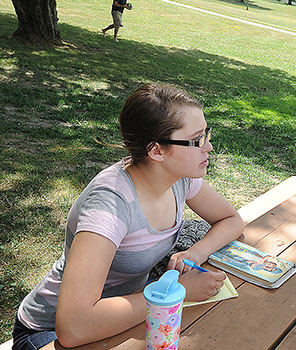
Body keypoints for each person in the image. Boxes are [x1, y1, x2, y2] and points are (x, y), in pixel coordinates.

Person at [12, 83, 245, 349]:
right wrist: (178, 293)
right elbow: (73, 326)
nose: (209, 147)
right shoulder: (109, 207)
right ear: (156, 150)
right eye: (197, 139)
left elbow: (231, 220)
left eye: (207, 133)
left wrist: (195, 254)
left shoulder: (179, 179)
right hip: (49, 331)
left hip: (125, 312)